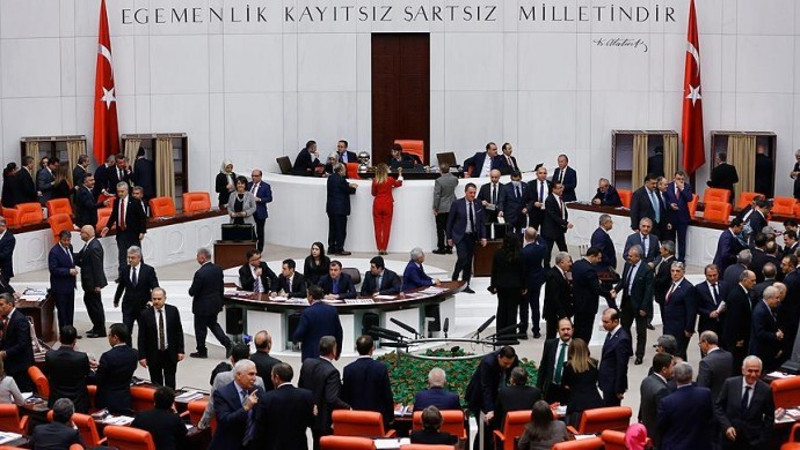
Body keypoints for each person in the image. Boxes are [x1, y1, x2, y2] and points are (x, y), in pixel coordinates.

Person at [298, 336, 351, 450]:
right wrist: (348, 408)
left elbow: (301, 387)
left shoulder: (307, 363)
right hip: (324, 419)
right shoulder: (332, 372)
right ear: (333, 351)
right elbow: (331, 398)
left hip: (310, 414)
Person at [199, 344, 266, 430]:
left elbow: (212, 405)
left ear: (231, 359)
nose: (253, 378)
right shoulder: (259, 381)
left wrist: (202, 424)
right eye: (251, 374)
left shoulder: (221, 378)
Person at [714, 356, 774, 449]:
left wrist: (762, 439)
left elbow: (769, 416)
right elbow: (718, 407)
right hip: (729, 440)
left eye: (757, 371)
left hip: (753, 442)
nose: (753, 375)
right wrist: (727, 426)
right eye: (750, 371)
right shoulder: (730, 384)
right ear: (743, 370)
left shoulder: (766, 390)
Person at [252, 362, 315, 450]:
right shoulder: (306, 395)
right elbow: (311, 421)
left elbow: (260, 426)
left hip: (274, 445)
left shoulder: (267, 398)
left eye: (271, 376)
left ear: (276, 377)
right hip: (299, 445)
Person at [465, 346, 518, 448]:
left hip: (496, 396)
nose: (508, 366)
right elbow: (486, 388)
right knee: (483, 430)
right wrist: (489, 410)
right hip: (479, 397)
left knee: (493, 430)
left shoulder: (513, 360)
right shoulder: (488, 363)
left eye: (510, 363)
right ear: (499, 357)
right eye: (505, 363)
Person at [657, 362, 714, 450]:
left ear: (674, 376)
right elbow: (710, 416)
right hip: (701, 444)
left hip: (676, 445)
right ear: (691, 376)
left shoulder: (667, 402)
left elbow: (661, 426)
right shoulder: (705, 394)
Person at [209, 359, 264, 450]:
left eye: (255, 374)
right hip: (229, 445)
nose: (254, 378)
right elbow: (225, 420)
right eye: (251, 374)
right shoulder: (222, 394)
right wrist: (246, 408)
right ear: (239, 375)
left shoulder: (258, 391)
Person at [188, 247, 232, 359]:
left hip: (202, 306)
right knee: (213, 325)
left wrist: (191, 291)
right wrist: (221, 301)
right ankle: (228, 343)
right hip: (215, 304)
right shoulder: (218, 269)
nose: (197, 259)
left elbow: (193, 291)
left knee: (200, 329)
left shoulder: (200, 273)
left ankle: (201, 351)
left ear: (202, 257)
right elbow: (221, 287)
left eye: (198, 256)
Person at [341, 335, 394, 427]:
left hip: (356, 419)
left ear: (356, 349)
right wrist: (391, 417)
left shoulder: (348, 369)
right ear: (372, 349)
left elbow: (346, 396)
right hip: (377, 419)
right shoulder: (381, 368)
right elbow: (387, 395)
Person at [137, 287, 184, 389]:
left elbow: (178, 331)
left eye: (159, 299)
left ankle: (170, 398)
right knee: (156, 384)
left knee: (170, 382)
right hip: (153, 354)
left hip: (170, 353)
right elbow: (142, 337)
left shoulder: (173, 311)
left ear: (164, 298)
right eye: (154, 299)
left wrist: (180, 350)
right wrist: (142, 356)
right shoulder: (145, 314)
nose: (156, 301)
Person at [614, 245, 653, 365]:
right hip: (627, 302)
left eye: (631, 256)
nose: (628, 258)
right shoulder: (627, 265)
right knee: (625, 328)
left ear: (638, 257)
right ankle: (628, 350)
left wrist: (644, 307)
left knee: (641, 332)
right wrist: (615, 290)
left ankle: (639, 355)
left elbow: (649, 291)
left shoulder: (646, 269)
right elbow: (623, 281)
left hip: (640, 305)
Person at [447, 183, 487, 293]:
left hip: (472, 235)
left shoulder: (478, 203)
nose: (473, 195)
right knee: (462, 257)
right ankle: (455, 276)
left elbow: (481, 222)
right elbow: (450, 221)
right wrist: (449, 237)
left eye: (474, 193)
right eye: (470, 193)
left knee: (469, 260)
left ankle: (466, 283)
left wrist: (483, 236)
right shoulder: (457, 204)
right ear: (465, 192)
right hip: (460, 235)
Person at [100, 182, 148, 273]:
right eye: (118, 191)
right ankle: (123, 276)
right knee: (122, 256)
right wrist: (107, 226)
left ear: (127, 191)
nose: (120, 193)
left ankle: (142, 273)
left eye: (122, 191)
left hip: (133, 233)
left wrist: (142, 231)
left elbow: (142, 218)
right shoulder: (116, 201)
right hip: (121, 233)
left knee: (136, 254)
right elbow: (114, 215)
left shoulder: (135, 202)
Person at [92, 323, 138, 415]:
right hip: (125, 399)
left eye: (109, 335)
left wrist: (93, 371)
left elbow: (99, 379)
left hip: (107, 401)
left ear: (115, 337)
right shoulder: (134, 353)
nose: (108, 338)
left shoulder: (107, 356)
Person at [571, 247, 615, 343]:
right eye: (598, 258)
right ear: (592, 256)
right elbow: (596, 289)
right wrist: (609, 294)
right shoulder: (590, 270)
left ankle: (575, 348)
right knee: (586, 332)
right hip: (588, 306)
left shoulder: (577, 264)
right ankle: (583, 349)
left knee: (577, 329)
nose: (599, 261)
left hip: (577, 303)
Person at [114, 246, 159, 336]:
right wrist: (116, 300)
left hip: (143, 306)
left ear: (139, 258)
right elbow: (121, 286)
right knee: (126, 331)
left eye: (133, 258)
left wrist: (152, 300)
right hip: (128, 306)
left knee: (144, 332)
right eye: (129, 257)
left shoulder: (148, 270)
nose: (130, 260)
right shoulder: (125, 270)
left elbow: (155, 287)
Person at [45, 326, 91, 412]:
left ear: (59, 338)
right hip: (78, 402)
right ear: (75, 340)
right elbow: (87, 374)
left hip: (56, 401)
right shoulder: (81, 357)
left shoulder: (50, 355)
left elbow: (47, 373)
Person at [292, 285, 343, 361]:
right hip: (328, 351)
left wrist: (295, 340)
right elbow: (339, 332)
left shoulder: (307, 312)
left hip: (310, 352)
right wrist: (338, 352)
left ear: (311, 297)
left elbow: (300, 332)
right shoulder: (333, 310)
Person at [561, 338, 604, 426]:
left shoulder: (568, 366)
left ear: (571, 351)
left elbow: (565, 385)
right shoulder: (594, 364)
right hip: (595, 403)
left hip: (576, 406)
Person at [489, 234, 526, 333]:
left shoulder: (498, 254)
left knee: (501, 308)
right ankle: (511, 334)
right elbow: (522, 272)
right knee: (512, 310)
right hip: (515, 286)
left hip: (501, 285)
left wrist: (493, 285)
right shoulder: (520, 254)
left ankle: (500, 333)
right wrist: (524, 286)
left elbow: (494, 271)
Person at [75, 225, 107, 338]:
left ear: (87, 234)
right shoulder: (88, 245)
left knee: (95, 306)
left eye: (82, 232)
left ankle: (100, 330)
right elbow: (81, 259)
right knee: (90, 303)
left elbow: (97, 267)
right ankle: (96, 326)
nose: (80, 234)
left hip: (93, 284)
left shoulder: (94, 247)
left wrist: (98, 285)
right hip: (89, 283)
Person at [662, 261, 697, 360]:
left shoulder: (688, 288)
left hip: (680, 328)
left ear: (683, 272)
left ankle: (682, 369)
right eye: (672, 271)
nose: (675, 273)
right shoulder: (671, 284)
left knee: (679, 354)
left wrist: (689, 328)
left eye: (678, 271)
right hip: (669, 326)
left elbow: (691, 310)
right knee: (669, 353)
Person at [638, 352, 674, 448]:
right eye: (672, 366)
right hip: (658, 436)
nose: (674, 369)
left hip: (647, 429)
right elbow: (664, 416)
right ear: (664, 369)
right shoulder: (662, 390)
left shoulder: (646, 381)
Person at [0, 293, 34, 392]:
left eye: (1, 305)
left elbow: (22, 344)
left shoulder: (19, 320)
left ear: (10, 304)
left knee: (23, 392)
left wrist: (5, 353)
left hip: (20, 366)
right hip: (12, 364)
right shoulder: (8, 318)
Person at [598, 308, 632, 406]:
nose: (603, 324)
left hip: (613, 385)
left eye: (606, 322)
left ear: (615, 321)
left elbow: (622, 366)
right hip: (607, 382)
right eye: (603, 321)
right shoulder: (611, 333)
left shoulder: (622, 339)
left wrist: (619, 389)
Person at [723, 270, 756, 371]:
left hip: (743, 336)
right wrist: (738, 338)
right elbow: (734, 320)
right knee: (736, 363)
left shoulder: (745, 292)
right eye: (752, 281)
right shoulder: (736, 295)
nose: (754, 283)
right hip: (736, 339)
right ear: (744, 280)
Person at [538, 317, 573, 405]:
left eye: (568, 329)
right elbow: (543, 367)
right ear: (558, 330)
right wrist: (539, 388)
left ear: (573, 329)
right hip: (551, 388)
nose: (566, 332)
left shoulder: (577, 346)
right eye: (563, 329)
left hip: (568, 391)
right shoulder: (550, 344)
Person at [748, 286, 784, 372]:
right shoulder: (760, 311)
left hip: (766, 351)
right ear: (769, 298)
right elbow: (760, 333)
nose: (779, 300)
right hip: (760, 352)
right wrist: (775, 335)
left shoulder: (767, 308)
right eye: (777, 298)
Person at [48, 230, 77, 330]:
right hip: (60, 287)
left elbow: (71, 260)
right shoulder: (54, 252)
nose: (67, 242)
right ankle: (64, 333)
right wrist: (69, 271)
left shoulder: (70, 247)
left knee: (70, 310)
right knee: (62, 312)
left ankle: (70, 331)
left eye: (68, 240)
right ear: (60, 239)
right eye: (64, 240)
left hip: (70, 286)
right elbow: (53, 269)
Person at [520, 227, 547, 338]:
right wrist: (537, 236)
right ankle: (536, 330)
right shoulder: (541, 248)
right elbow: (544, 243)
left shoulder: (523, 251)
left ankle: (523, 331)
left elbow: (523, 270)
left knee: (524, 308)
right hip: (537, 280)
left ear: (525, 237)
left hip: (526, 282)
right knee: (535, 306)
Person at [326, 163, 357, 256]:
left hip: (331, 208)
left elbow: (343, 185)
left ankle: (331, 247)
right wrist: (354, 188)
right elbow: (348, 190)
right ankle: (339, 248)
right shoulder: (340, 180)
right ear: (340, 170)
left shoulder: (331, 178)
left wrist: (348, 184)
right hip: (340, 209)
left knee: (332, 229)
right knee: (340, 230)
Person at [371, 163, 403, 254]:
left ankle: (379, 248)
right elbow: (399, 183)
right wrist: (400, 174)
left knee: (377, 228)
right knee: (386, 227)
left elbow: (373, 193)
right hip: (388, 204)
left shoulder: (375, 180)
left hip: (377, 204)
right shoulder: (390, 179)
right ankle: (384, 248)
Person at [542, 252, 573, 339]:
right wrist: (562, 314)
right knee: (551, 336)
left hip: (560, 311)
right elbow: (553, 297)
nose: (570, 264)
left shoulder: (561, 273)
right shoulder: (554, 275)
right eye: (568, 262)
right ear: (561, 262)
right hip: (555, 313)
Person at [697, 331, 734, 403]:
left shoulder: (705, 362)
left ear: (706, 342)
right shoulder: (729, 356)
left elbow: (702, 387)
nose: (700, 347)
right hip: (727, 399)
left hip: (712, 401)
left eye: (700, 344)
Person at [541, 181, 572, 265]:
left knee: (564, 249)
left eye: (562, 187)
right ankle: (546, 268)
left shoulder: (561, 198)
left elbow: (563, 212)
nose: (561, 190)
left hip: (559, 229)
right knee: (548, 251)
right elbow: (554, 216)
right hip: (550, 230)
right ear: (553, 189)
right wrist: (565, 223)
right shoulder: (549, 200)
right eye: (559, 188)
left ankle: (570, 265)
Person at [664, 171, 693, 261]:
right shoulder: (668, 186)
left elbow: (689, 198)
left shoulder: (687, 187)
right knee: (671, 240)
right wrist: (670, 205)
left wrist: (682, 188)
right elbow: (664, 200)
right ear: (674, 179)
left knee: (682, 240)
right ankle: (671, 258)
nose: (681, 181)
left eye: (682, 179)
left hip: (683, 218)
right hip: (671, 217)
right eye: (678, 179)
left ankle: (681, 259)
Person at [432, 162, 458, 255]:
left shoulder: (439, 181)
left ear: (440, 170)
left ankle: (441, 247)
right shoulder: (454, 179)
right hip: (452, 205)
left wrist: (435, 207)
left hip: (442, 207)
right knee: (449, 227)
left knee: (440, 229)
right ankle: (449, 247)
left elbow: (437, 195)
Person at [696, 264, 729, 336]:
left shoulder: (725, 286)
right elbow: (696, 307)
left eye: (715, 275)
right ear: (705, 275)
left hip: (723, 325)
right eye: (709, 276)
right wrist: (709, 313)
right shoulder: (699, 288)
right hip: (707, 325)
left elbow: (728, 301)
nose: (712, 278)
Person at [247, 169, 272, 252]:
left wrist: (259, 199)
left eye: (256, 176)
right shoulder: (248, 185)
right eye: (252, 176)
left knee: (260, 231)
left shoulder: (266, 186)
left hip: (260, 211)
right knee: (250, 229)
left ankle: (259, 249)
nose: (254, 178)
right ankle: (252, 246)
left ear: (260, 176)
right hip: (250, 211)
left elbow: (269, 198)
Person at [497, 171, 529, 235]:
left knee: (520, 235)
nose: (515, 182)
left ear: (521, 178)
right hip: (510, 216)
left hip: (522, 216)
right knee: (509, 235)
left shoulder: (526, 186)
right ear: (511, 178)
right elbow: (501, 200)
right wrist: (500, 210)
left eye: (517, 180)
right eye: (513, 180)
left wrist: (527, 208)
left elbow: (530, 200)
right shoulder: (505, 187)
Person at [528, 164, 550, 231]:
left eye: (544, 173)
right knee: (533, 231)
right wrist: (534, 203)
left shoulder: (550, 184)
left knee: (546, 231)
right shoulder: (531, 184)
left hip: (546, 212)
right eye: (540, 173)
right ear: (536, 174)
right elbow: (527, 197)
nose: (543, 175)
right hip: (534, 212)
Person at [0, 217, 15, 284]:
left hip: (4, 270)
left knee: (4, 287)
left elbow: (6, 254)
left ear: (3, 226)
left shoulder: (10, 238)